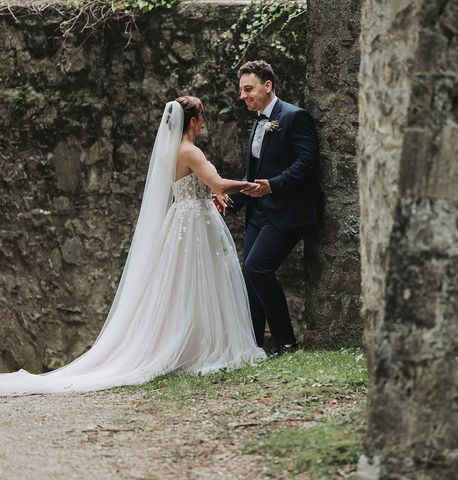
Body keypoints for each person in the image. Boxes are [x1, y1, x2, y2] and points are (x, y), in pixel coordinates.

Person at [0, 96, 266, 396]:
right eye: (201, 118)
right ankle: (199, 346)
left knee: (183, 285)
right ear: (193, 120)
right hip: (196, 223)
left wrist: (211, 192)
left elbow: (195, 185)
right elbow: (217, 183)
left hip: (182, 218)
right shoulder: (190, 150)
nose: (203, 123)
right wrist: (249, 185)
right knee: (203, 282)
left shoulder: (171, 151)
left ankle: (189, 343)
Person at [215, 60, 322, 356]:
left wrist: (273, 184)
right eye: (241, 90)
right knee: (249, 276)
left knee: (257, 269)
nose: (243, 96)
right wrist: (231, 200)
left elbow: (307, 163)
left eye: (248, 89)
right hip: (257, 215)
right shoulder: (257, 125)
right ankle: (254, 346)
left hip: (286, 212)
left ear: (268, 86)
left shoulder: (294, 117)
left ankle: (286, 342)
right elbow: (252, 179)